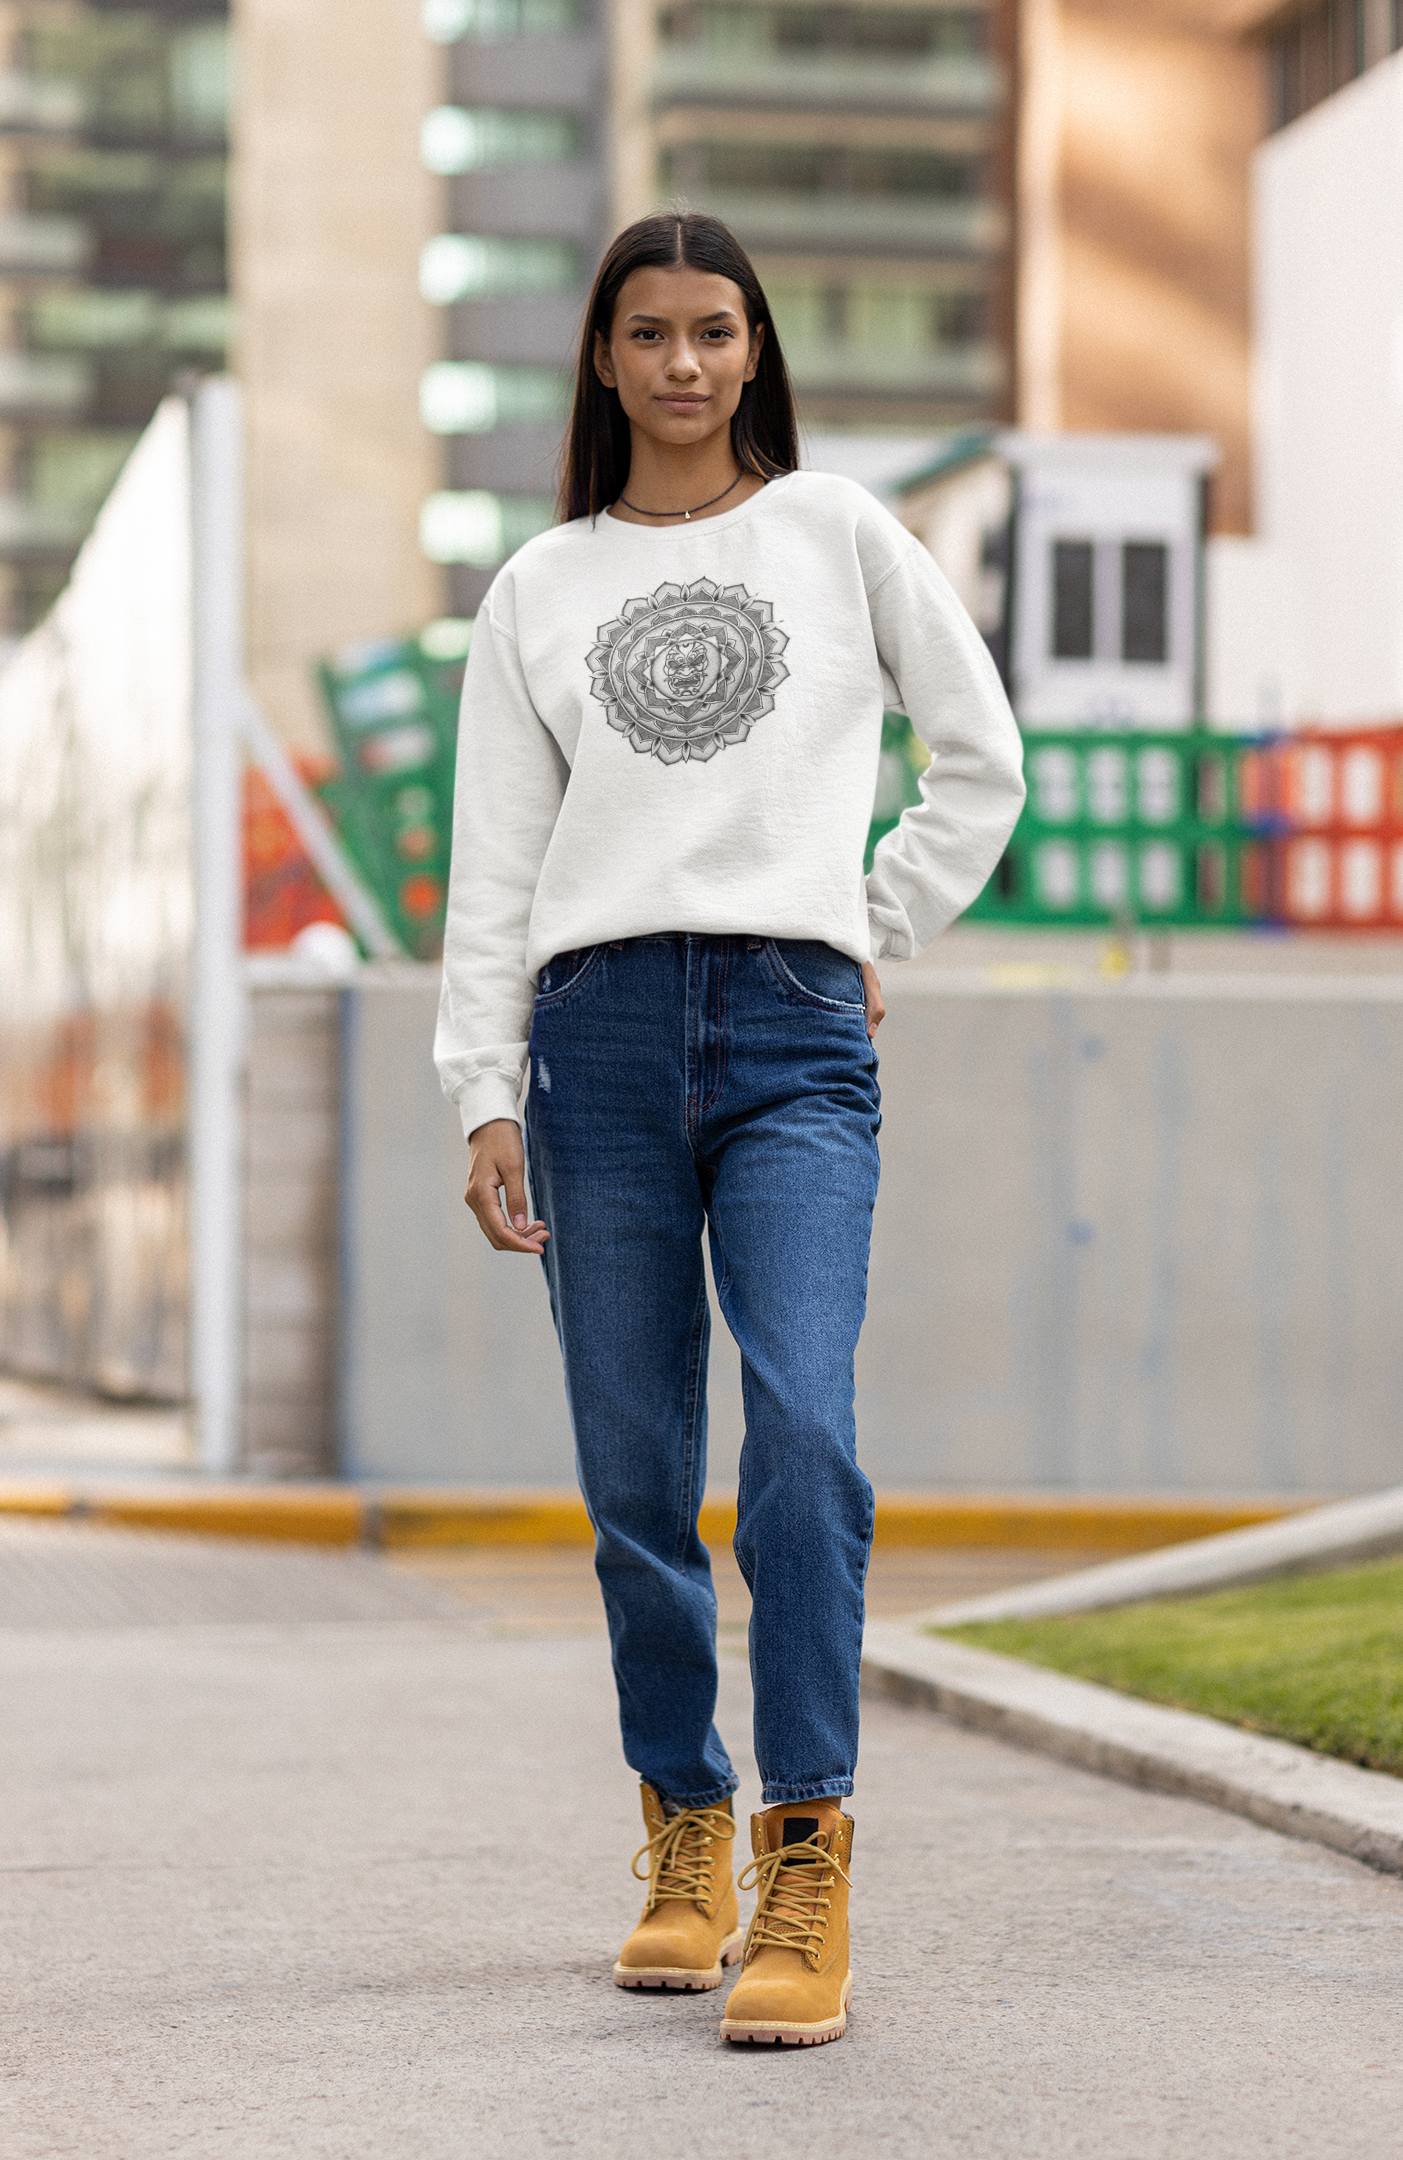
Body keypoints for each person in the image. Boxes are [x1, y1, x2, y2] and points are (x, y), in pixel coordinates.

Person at [435, 211, 1024, 2048]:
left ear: (756, 350)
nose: (683, 365)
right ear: (602, 362)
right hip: (594, 1043)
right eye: (648, 334)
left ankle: (806, 1848)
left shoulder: (839, 532)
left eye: (715, 331)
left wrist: (879, 923)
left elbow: (980, 754)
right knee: (631, 1478)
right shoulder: (540, 586)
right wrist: (483, 1088)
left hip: (786, 1035)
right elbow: (494, 869)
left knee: (802, 1436)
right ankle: (683, 1829)